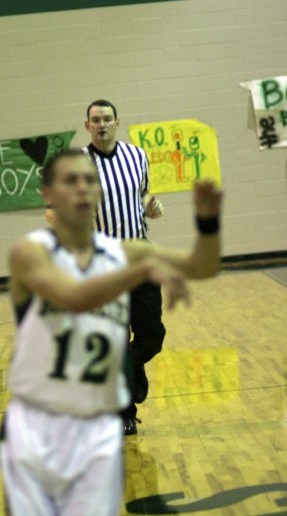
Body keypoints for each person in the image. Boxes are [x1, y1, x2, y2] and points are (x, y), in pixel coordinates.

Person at [0, 148, 222, 516]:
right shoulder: (33, 252)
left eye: (90, 182)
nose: (84, 190)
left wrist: (208, 222)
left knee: (148, 338)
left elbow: (202, 263)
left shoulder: (126, 247)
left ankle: (129, 376)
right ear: (49, 198)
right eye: (71, 182)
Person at [84, 99, 165, 434]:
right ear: (87, 126)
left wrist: (151, 206)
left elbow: (143, 194)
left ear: (117, 122)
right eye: (95, 120)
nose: (102, 124)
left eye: (107, 118)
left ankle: (131, 367)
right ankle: (124, 413)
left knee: (152, 335)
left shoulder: (137, 156)